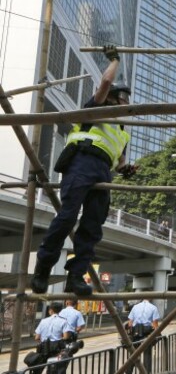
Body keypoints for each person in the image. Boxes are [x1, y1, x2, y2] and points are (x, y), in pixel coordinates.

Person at [31, 45, 137, 296]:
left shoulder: (123, 131)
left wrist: (126, 169)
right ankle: (43, 269)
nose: (127, 103)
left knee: (92, 225)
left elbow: (120, 162)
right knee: (67, 216)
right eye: (124, 98)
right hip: (82, 162)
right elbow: (106, 81)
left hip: (103, 171)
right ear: (112, 97)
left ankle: (76, 276)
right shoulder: (96, 108)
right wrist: (114, 60)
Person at [28, 302, 72, 374]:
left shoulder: (43, 321)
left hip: (43, 348)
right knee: (54, 369)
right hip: (56, 348)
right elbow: (66, 336)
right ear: (60, 311)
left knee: (38, 369)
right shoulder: (64, 321)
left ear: (50, 310)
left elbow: (37, 337)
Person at [126, 299, 160, 373]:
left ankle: (128, 371)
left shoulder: (135, 307)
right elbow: (155, 326)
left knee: (133, 355)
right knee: (147, 355)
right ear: (150, 300)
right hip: (147, 335)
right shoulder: (153, 308)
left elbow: (130, 324)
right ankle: (146, 372)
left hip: (136, 334)